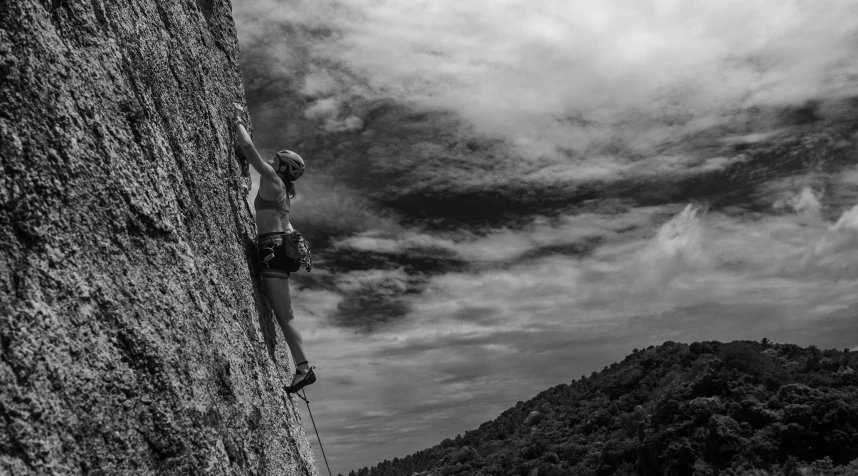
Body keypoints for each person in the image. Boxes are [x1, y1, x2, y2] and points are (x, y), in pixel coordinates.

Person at [232, 103, 316, 393]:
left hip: (271, 250)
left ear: (281, 167)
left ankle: (304, 368)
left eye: (275, 159)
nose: (272, 160)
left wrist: (238, 120)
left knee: (283, 314)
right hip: (279, 250)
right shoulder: (285, 195)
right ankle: (303, 366)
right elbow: (287, 225)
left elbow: (246, 147)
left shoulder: (271, 179)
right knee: (285, 313)